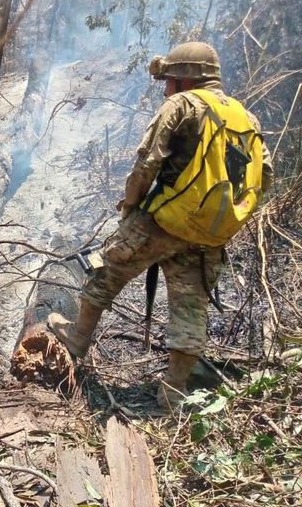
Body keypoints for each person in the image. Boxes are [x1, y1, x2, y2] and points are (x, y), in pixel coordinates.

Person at [47, 42, 273, 414]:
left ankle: (77, 340)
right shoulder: (246, 117)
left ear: (185, 78)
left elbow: (146, 164)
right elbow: (264, 175)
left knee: (106, 270)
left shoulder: (181, 105)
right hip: (211, 233)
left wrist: (132, 210)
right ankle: (173, 393)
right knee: (191, 307)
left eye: (169, 79)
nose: (166, 88)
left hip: (165, 221)